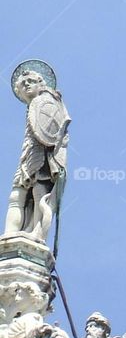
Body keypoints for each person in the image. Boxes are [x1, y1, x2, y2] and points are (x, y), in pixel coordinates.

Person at [5, 67, 70, 244]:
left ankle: (36, 232)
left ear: (40, 83)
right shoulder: (34, 106)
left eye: (30, 82)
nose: (26, 85)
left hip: (42, 153)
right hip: (27, 153)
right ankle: (10, 235)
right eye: (23, 84)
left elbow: (55, 132)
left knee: (38, 192)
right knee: (16, 196)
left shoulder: (48, 100)